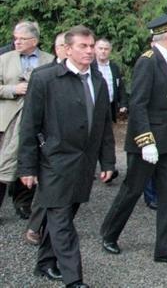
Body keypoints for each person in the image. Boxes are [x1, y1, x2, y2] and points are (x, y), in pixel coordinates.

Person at [18, 25, 116, 288]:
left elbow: (104, 125)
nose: (89, 51)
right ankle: (74, 279)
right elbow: (29, 125)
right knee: (61, 220)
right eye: (82, 46)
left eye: (91, 46)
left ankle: (45, 263)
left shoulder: (98, 80)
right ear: (67, 49)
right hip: (54, 162)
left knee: (64, 216)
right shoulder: (45, 78)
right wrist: (26, 167)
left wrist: (108, 161)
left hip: (83, 164)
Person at [100, 11, 167, 265]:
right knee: (132, 191)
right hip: (148, 141)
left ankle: (165, 248)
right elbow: (138, 104)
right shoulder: (148, 61)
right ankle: (109, 232)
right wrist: (145, 140)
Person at [0, 21, 55, 220]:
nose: (17, 42)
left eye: (22, 38)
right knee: (2, 164)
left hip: (37, 120)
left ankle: (23, 203)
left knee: (30, 161)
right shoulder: (4, 59)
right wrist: (13, 89)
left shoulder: (50, 60)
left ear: (34, 40)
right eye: (15, 38)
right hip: (6, 121)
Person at [24, 32, 67, 246]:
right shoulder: (44, 74)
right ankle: (35, 227)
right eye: (61, 45)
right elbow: (32, 119)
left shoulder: (85, 73)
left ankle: (53, 231)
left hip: (71, 144)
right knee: (47, 188)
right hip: (48, 142)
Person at [94, 38, 128, 123]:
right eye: (100, 48)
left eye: (106, 49)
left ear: (110, 51)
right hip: (95, 109)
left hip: (111, 108)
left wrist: (123, 104)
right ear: (95, 49)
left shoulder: (114, 67)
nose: (103, 51)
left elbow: (120, 87)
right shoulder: (90, 67)